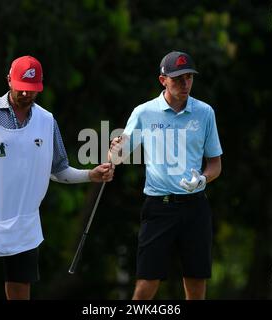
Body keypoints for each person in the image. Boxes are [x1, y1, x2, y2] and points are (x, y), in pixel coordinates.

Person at [0, 55, 114, 300]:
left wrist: (90, 175)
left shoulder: (46, 122)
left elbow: (58, 170)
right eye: (22, 88)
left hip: (23, 223)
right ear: (9, 81)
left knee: (19, 292)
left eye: (32, 90)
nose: (26, 94)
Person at [109, 51, 222, 300]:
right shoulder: (144, 112)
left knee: (195, 284)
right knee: (146, 284)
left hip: (195, 208)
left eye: (189, 78)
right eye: (178, 79)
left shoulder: (205, 113)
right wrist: (115, 148)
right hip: (158, 207)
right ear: (163, 80)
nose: (185, 84)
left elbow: (215, 164)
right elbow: (118, 155)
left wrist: (202, 180)